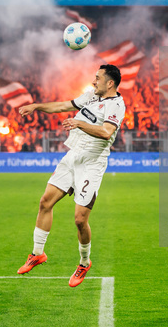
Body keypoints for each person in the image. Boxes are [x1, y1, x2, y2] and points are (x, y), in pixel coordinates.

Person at [16, 64, 125, 287]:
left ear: (110, 83)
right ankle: (37, 253)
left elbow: (106, 132)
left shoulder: (116, 105)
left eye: (98, 78)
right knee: (45, 202)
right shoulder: (90, 97)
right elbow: (63, 106)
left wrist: (79, 123)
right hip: (73, 157)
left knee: (79, 220)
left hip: (92, 163)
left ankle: (84, 263)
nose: (94, 81)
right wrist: (36, 106)